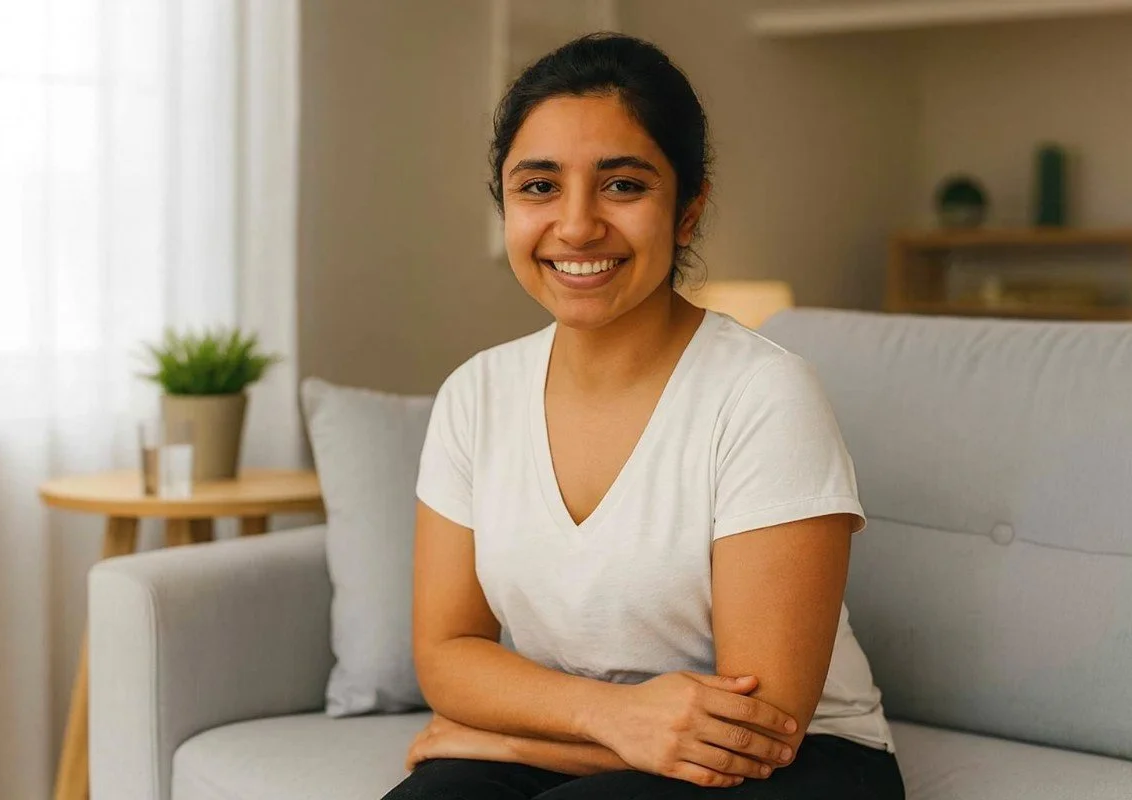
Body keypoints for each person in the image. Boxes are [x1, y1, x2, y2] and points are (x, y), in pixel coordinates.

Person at [383, 33, 905, 800]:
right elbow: (449, 652)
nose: (577, 225)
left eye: (623, 186)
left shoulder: (764, 396)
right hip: (587, 730)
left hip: (802, 763)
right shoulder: (476, 394)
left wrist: (501, 738)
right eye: (539, 187)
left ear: (687, 211)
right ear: (507, 206)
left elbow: (763, 722)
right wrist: (606, 718)